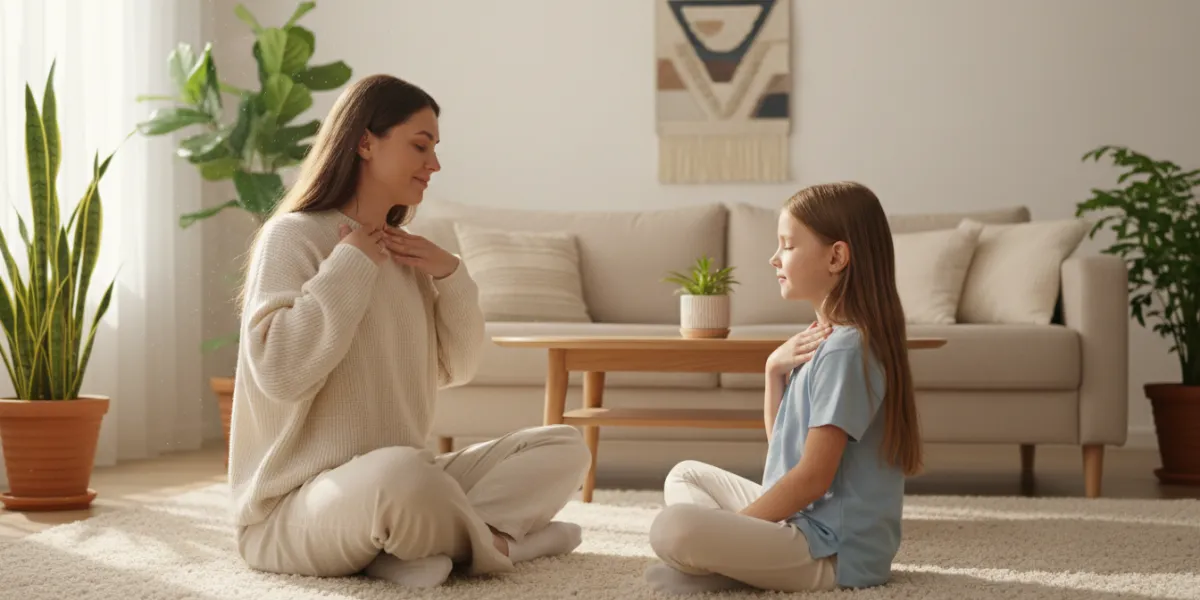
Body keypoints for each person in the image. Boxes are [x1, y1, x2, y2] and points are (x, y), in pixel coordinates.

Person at [228, 74, 592, 589]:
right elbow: (281, 373)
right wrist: (350, 261)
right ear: (364, 142)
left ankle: (407, 548)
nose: (435, 164)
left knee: (565, 446)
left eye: (436, 149)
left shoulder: (405, 255)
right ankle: (510, 545)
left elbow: (457, 368)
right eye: (420, 145)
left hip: (397, 483)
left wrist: (452, 277)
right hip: (293, 509)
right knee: (402, 477)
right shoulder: (292, 237)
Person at [642, 181, 923, 594]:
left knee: (673, 527)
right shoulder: (824, 341)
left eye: (787, 245)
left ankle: (721, 565)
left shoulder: (846, 350)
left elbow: (812, 479)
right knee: (686, 475)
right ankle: (724, 566)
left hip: (833, 554)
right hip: (804, 525)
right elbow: (785, 456)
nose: (774, 258)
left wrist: (733, 531)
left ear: (836, 256)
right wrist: (773, 371)